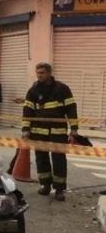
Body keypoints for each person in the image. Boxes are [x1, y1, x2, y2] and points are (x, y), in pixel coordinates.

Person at [22, 62, 79, 202]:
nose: (39, 75)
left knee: (59, 160)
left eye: (42, 72)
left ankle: (59, 189)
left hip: (57, 131)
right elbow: (27, 110)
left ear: (49, 73)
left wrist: (74, 129)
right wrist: (25, 129)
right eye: (37, 73)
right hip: (38, 131)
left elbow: (71, 109)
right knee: (41, 159)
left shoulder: (62, 88)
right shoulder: (33, 90)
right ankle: (45, 185)